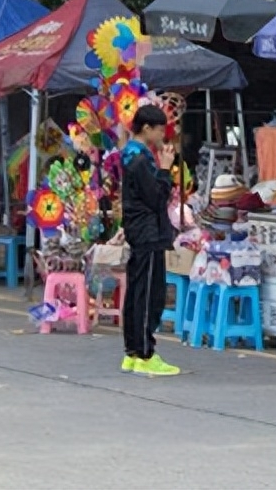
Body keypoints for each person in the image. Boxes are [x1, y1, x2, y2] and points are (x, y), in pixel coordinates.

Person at [120, 105, 179, 377]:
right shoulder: (140, 160)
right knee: (148, 295)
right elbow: (156, 198)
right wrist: (166, 170)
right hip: (148, 232)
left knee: (136, 292)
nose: (162, 135)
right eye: (159, 129)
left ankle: (133, 352)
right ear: (146, 128)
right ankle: (144, 352)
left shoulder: (133, 155)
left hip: (139, 230)